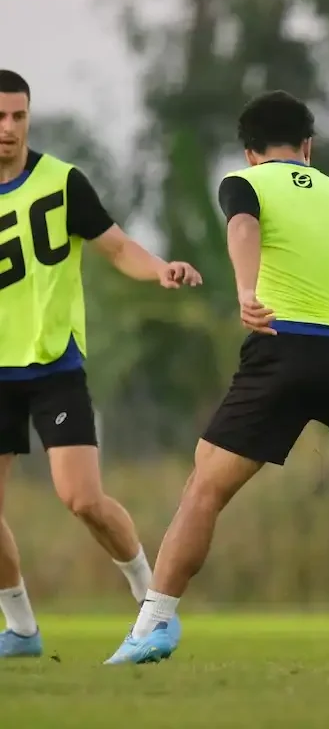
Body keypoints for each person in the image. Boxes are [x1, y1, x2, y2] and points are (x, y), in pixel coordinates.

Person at [104, 90, 329, 665]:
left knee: (205, 490)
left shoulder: (245, 183)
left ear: (250, 153)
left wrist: (248, 292)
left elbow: (243, 229)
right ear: (308, 147)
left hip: (280, 351)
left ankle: (154, 625)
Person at [0, 70, 201, 658]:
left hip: (52, 365)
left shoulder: (62, 182)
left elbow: (117, 247)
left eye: (17, 116)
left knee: (82, 498)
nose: (8, 128)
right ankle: (20, 629)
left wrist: (159, 267)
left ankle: (151, 606)